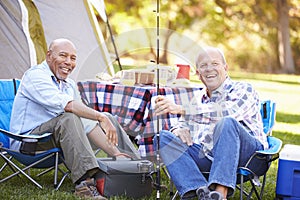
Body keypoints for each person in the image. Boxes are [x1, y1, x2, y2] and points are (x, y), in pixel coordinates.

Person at [10, 38, 140, 199]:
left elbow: (86, 123)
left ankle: (138, 170)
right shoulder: (35, 76)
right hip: (29, 143)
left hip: (61, 139)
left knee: (107, 118)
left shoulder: (68, 84)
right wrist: (99, 117)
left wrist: (116, 152)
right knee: (70, 118)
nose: (68, 62)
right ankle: (84, 184)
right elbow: (68, 107)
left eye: (72, 58)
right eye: (63, 56)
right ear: (49, 55)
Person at [154, 47, 268, 200]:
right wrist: (178, 130)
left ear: (225, 68)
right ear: (198, 73)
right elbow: (181, 124)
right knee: (163, 137)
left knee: (226, 123)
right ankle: (200, 190)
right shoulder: (197, 98)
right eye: (204, 66)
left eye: (215, 63)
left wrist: (182, 108)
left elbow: (226, 113)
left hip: (249, 157)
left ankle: (221, 193)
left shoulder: (244, 89)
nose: (209, 69)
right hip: (209, 156)